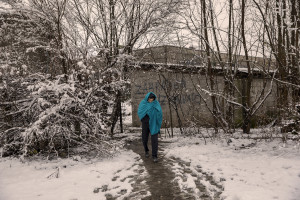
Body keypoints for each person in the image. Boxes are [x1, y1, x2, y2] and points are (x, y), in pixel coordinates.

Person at [138, 92, 163, 163]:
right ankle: (146, 150)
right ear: (147, 98)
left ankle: (154, 155)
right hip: (145, 124)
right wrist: (145, 119)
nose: (151, 100)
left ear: (154, 98)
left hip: (154, 123)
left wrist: (155, 117)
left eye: (152, 98)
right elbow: (140, 112)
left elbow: (160, 113)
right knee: (144, 139)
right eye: (149, 98)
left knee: (154, 140)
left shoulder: (156, 103)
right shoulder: (143, 103)